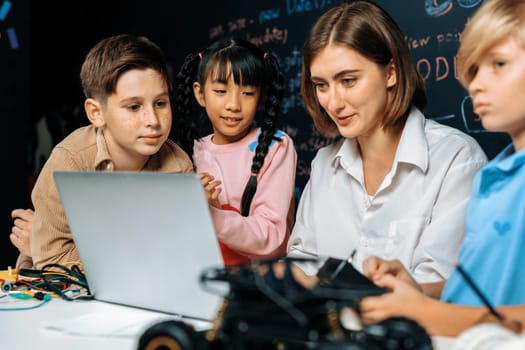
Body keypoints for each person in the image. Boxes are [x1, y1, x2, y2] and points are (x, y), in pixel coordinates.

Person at [287, 0, 487, 294]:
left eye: (348, 80)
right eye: (321, 85)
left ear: (390, 72)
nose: (333, 102)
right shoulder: (323, 165)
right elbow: (302, 265)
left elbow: (447, 287)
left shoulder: (455, 159)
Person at [360, 0, 525, 336]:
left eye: (499, 63)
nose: (476, 84)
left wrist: (426, 313)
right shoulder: (494, 176)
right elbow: (483, 293)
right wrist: (419, 291)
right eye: (474, 69)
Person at [13, 34, 193, 270]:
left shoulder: (178, 167)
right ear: (96, 113)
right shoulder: (70, 160)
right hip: (54, 292)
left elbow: (173, 259)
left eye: (160, 103)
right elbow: (53, 261)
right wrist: (139, 249)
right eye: (134, 107)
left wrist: (49, 246)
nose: (153, 120)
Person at [172, 37, 297, 266]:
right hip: (201, 276)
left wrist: (209, 213)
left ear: (261, 96)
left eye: (247, 93)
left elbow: (272, 237)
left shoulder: (276, 146)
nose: (233, 104)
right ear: (200, 94)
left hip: (259, 281)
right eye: (220, 91)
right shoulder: (187, 152)